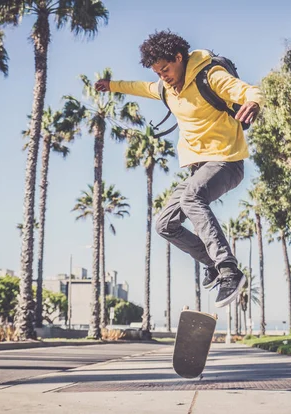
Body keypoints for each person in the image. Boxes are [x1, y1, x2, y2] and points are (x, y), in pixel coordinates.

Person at [95, 30, 263, 308]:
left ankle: (228, 270)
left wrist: (253, 102)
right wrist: (112, 86)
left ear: (179, 57)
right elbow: (140, 87)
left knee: (192, 198)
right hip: (198, 170)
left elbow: (248, 90)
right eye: (157, 72)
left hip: (227, 161)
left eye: (166, 69)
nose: (163, 76)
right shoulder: (165, 89)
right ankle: (211, 261)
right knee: (165, 224)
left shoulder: (211, 77)